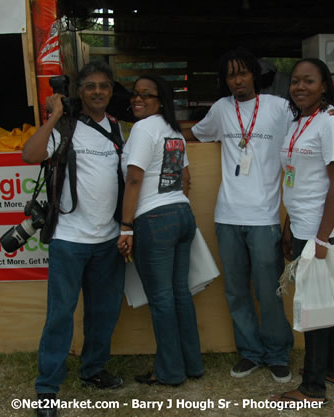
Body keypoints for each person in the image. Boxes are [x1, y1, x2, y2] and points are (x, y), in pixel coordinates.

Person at [183, 47, 334, 383]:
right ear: (225, 81)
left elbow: (315, 119)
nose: (238, 80)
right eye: (231, 75)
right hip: (227, 216)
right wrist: (158, 127)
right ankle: (250, 352)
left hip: (265, 218)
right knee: (236, 292)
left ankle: (277, 353)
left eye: (243, 72)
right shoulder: (220, 110)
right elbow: (194, 133)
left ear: (255, 75)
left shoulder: (280, 108)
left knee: (269, 291)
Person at [22, 62, 125, 417]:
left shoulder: (116, 128)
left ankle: (93, 369)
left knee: (104, 312)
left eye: (104, 86)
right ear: (79, 91)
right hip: (69, 239)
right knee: (60, 316)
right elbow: (30, 155)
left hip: (108, 239)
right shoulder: (65, 126)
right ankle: (48, 388)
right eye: (90, 86)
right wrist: (53, 115)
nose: (98, 91)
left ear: (111, 91)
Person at [273, 58, 334, 406]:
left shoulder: (332, 123)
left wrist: (321, 238)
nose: (300, 87)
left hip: (323, 226)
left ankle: (313, 387)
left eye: (308, 81)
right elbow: (296, 178)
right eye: (295, 81)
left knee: (315, 306)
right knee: (327, 298)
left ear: (324, 85)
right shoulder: (298, 122)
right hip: (304, 222)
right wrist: (290, 225)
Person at [117, 75, 204, 386]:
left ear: (160, 100)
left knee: (162, 298)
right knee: (180, 293)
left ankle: (169, 371)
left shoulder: (142, 129)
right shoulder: (173, 132)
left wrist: (126, 227)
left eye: (147, 95)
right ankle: (192, 363)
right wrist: (174, 205)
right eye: (135, 94)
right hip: (182, 214)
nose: (137, 99)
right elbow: (186, 177)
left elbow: (135, 180)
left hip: (153, 220)